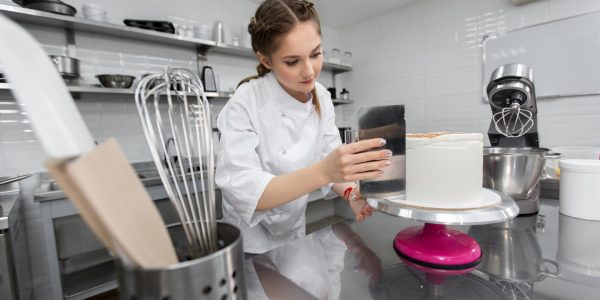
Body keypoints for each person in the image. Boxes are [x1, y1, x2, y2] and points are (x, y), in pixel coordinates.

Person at [215, 0, 391, 254]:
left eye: (316, 54)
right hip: (249, 239)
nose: (309, 71)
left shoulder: (321, 96)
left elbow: (329, 161)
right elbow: (245, 191)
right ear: (265, 59)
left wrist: (352, 193)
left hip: (294, 229)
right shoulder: (245, 101)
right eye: (292, 61)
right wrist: (325, 170)